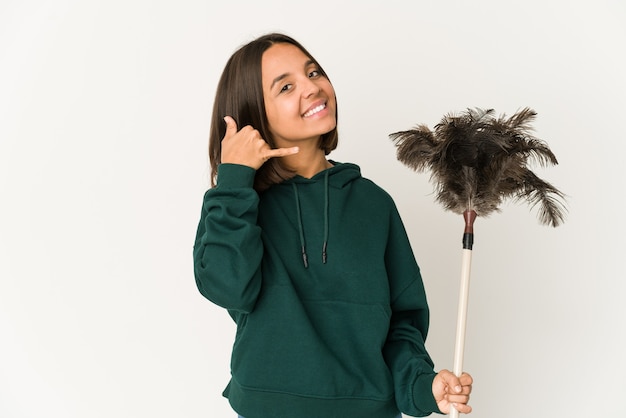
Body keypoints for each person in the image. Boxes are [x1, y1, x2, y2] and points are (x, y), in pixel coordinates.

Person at [193, 32, 473, 418]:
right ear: (253, 115)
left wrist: (424, 387)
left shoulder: (374, 205)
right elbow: (227, 287)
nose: (312, 87)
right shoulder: (238, 203)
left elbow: (401, 324)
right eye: (287, 86)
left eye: (314, 72)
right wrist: (235, 178)